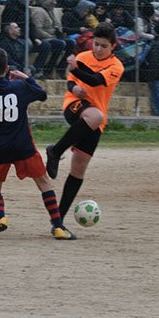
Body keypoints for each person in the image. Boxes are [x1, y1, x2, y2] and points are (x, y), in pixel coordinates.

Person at [0, 47, 74, 239]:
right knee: (43, 183)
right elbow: (42, 95)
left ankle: (1, 217)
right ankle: (58, 227)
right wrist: (26, 78)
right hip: (22, 145)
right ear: (8, 68)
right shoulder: (20, 87)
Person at [44, 22, 123, 232]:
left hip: (95, 119)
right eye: (95, 44)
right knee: (95, 115)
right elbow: (70, 82)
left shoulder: (116, 67)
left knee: (78, 170)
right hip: (74, 106)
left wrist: (76, 70)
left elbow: (96, 80)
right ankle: (56, 150)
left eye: (103, 46)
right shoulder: (83, 57)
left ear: (113, 46)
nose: (97, 49)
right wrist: (74, 86)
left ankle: (57, 221)